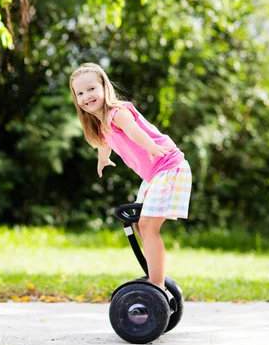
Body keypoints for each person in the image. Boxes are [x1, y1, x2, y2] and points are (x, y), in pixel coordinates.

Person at [69, 62, 192, 297]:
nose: (87, 96)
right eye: (80, 93)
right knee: (139, 224)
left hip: (168, 166)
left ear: (104, 87)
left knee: (148, 226)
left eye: (91, 89)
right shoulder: (101, 123)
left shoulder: (118, 112)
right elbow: (104, 142)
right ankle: (156, 278)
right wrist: (102, 159)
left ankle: (156, 287)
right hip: (154, 175)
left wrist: (152, 147)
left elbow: (135, 131)